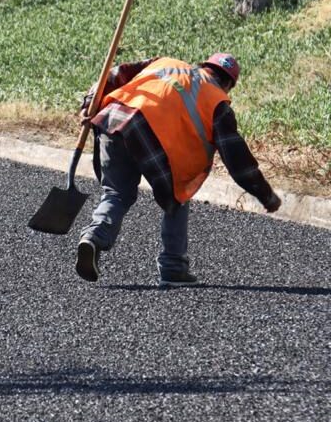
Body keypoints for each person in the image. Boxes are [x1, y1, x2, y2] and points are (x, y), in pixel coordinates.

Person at [74, 54, 281, 287]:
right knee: (179, 195)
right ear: (228, 85)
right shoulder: (217, 103)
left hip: (113, 118)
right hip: (148, 135)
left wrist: (88, 104)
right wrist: (266, 195)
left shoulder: (166, 63)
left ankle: (94, 236)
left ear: (204, 66)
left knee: (117, 194)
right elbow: (238, 160)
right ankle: (173, 267)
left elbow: (112, 76)